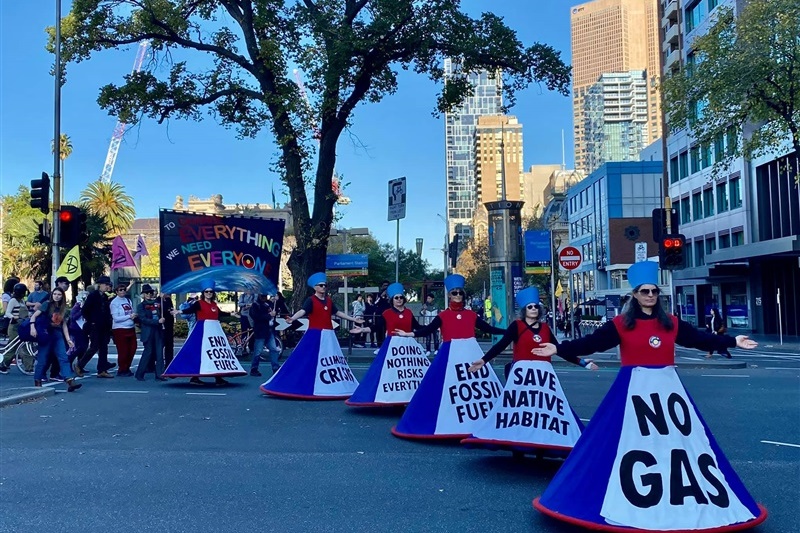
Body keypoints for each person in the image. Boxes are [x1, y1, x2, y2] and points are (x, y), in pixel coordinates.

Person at [531, 261, 765, 531]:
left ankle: (679, 494)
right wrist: (559, 348)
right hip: (633, 389)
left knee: (678, 445)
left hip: (668, 391)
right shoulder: (620, 324)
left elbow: (701, 340)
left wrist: (732, 341)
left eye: (654, 291)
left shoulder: (672, 324)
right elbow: (592, 343)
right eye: (645, 291)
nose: (650, 296)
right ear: (635, 295)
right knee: (618, 441)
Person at [461, 287, 597, 455]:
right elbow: (501, 345)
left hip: (543, 377)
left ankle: (542, 445)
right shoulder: (516, 326)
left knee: (545, 410)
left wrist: (583, 362)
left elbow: (559, 350)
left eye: (536, 306)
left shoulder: (546, 329)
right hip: (522, 377)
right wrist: (483, 360)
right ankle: (518, 446)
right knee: (519, 410)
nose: (533, 309)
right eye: (530, 306)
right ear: (524, 309)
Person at [391, 274, 507, 440]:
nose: (458, 295)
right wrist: (408, 334)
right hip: (449, 354)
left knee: (476, 388)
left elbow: (488, 329)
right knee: (445, 388)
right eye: (454, 293)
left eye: (460, 293)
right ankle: (449, 419)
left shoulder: (471, 315)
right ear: (449, 295)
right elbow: (427, 330)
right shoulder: (443, 316)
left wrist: (508, 333)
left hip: (471, 353)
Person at [260, 272, 363, 399]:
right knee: (305, 359)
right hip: (314, 334)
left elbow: (338, 313)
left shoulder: (329, 301)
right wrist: (292, 318)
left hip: (329, 336)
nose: (323, 287)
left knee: (330, 360)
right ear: (315, 287)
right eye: (321, 285)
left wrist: (353, 320)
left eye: (325, 285)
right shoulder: (311, 300)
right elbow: (303, 311)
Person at [346, 283, 430, 407]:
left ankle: (410, 396)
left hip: (409, 346)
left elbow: (417, 327)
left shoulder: (408, 312)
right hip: (393, 345)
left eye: (401, 297)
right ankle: (391, 397)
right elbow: (377, 327)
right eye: (396, 298)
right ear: (392, 300)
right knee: (390, 372)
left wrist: (433, 328)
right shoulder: (387, 313)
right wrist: (362, 330)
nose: (399, 300)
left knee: (410, 372)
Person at [164, 279, 245, 385]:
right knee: (200, 353)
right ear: (203, 293)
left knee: (216, 355)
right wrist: (179, 311)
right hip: (202, 331)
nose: (209, 293)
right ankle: (194, 377)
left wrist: (231, 314)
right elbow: (191, 310)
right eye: (206, 291)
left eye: (211, 292)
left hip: (214, 332)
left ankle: (218, 378)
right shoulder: (199, 303)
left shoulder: (214, 305)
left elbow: (220, 313)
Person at [29, 288, 81, 392]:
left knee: (63, 357)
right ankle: (38, 380)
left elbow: (64, 325)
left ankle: (69, 380)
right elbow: (34, 316)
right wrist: (32, 327)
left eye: (59, 294)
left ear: (62, 296)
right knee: (43, 359)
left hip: (57, 334)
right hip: (46, 333)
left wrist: (68, 339)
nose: (56, 296)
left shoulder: (63, 308)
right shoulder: (47, 304)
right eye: (55, 294)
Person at [76, 276, 115, 378]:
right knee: (94, 346)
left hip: (104, 326)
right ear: (100, 285)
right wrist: (92, 321)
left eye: (108, 285)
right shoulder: (93, 296)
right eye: (106, 285)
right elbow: (85, 310)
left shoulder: (105, 297)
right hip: (95, 326)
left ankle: (102, 370)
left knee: (103, 348)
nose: (107, 287)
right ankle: (80, 365)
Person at [135, 284, 167, 382]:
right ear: (143, 295)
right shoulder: (141, 306)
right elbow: (143, 319)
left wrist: (163, 299)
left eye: (150, 292)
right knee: (148, 353)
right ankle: (140, 374)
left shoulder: (157, 303)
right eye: (146, 293)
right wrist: (157, 321)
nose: (149, 294)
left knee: (159, 353)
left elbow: (164, 309)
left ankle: (160, 374)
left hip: (157, 331)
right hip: (148, 331)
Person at [248, 292, 282, 377]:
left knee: (273, 349)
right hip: (261, 331)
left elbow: (277, 309)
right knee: (258, 351)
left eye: (265, 295)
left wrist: (277, 301)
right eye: (262, 295)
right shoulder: (255, 305)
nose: (264, 297)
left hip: (268, 330)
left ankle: (275, 367)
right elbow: (256, 317)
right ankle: (254, 368)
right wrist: (269, 315)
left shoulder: (269, 304)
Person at [0, 283, 29, 374]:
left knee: (20, 346)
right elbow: (7, 312)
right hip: (14, 326)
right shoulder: (13, 301)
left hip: (22, 325)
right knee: (12, 346)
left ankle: (28, 366)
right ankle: (3, 364)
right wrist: (14, 317)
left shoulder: (21, 301)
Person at [110, 283, 138, 377]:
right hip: (120, 329)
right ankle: (122, 369)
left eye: (124, 290)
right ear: (116, 292)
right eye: (120, 290)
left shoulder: (128, 300)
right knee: (123, 351)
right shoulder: (114, 303)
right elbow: (116, 318)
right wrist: (129, 316)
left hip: (130, 327)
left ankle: (127, 367)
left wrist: (134, 316)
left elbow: (132, 311)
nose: (122, 291)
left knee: (132, 349)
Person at [161, 293, 176, 366]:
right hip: (161, 327)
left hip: (169, 326)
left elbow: (171, 309)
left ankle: (169, 363)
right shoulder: (158, 301)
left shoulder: (168, 300)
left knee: (169, 346)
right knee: (160, 346)